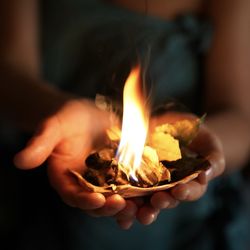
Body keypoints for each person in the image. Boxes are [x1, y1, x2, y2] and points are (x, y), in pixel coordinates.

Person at [0, 0, 249, 249]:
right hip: (44, 216)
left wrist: (201, 145)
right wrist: (59, 112)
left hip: (183, 233)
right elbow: (8, 75)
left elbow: (240, 119)